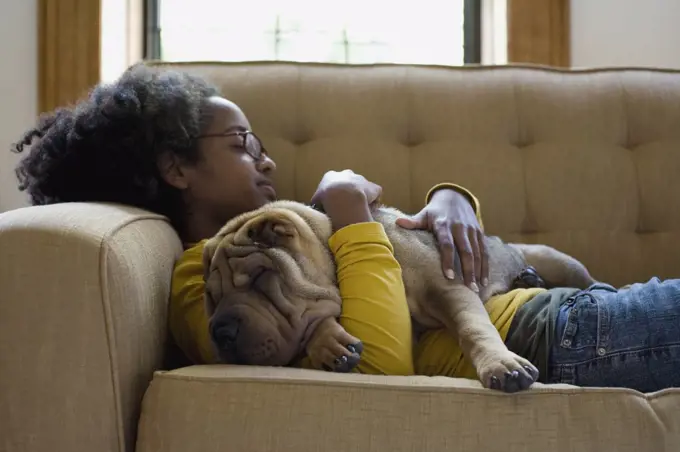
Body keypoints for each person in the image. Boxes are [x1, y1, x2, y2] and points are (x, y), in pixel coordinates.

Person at [12, 63, 680, 394]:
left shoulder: (280, 229)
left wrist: (453, 198)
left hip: (548, 305)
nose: (266, 158)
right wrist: (350, 212)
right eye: (243, 144)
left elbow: (405, 255)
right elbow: (380, 359)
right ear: (176, 168)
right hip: (546, 335)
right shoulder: (198, 276)